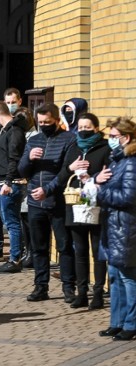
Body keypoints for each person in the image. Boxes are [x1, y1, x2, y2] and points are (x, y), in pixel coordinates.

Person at [18, 103, 77, 302]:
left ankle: (69, 287)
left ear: (57, 121)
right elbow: (22, 171)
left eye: (48, 122)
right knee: (39, 247)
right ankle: (40, 287)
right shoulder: (34, 140)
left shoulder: (69, 139)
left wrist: (47, 190)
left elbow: (65, 171)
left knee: (64, 245)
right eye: (40, 122)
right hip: (36, 202)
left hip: (57, 202)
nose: (44, 125)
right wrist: (29, 158)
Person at [61, 112, 111, 309]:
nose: (82, 131)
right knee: (79, 251)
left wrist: (93, 177)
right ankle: (82, 293)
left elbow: (110, 174)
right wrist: (71, 167)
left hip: (96, 204)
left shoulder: (105, 148)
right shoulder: (73, 148)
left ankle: (98, 293)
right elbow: (63, 171)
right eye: (80, 127)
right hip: (75, 204)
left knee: (98, 252)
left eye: (87, 127)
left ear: (96, 128)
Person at [96, 116, 136, 341]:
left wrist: (99, 192)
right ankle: (117, 322)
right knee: (115, 276)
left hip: (126, 227)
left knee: (128, 278)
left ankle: (131, 324)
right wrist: (95, 179)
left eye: (112, 137)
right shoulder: (117, 159)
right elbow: (106, 182)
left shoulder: (131, 162)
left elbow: (129, 197)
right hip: (112, 226)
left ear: (125, 138)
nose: (109, 140)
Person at [0, 101, 27, 274]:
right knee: (9, 222)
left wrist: (8, 182)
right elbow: (1, 160)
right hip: (3, 182)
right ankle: (15, 257)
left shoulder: (14, 131)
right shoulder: (7, 131)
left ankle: (15, 259)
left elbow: (13, 160)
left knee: (12, 223)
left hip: (11, 184)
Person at [14, 107, 40, 268]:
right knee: (24, 219)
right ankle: (28, 252)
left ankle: (32, 254)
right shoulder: (20, 134)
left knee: (30, 221)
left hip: (29, 183)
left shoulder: (33, 136)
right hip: (20, 183)